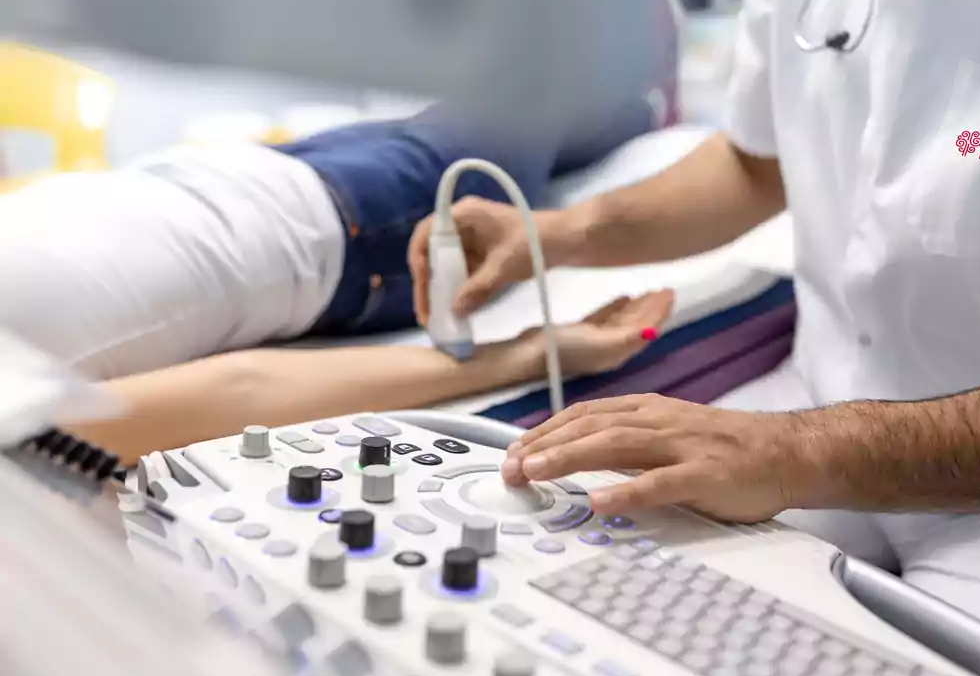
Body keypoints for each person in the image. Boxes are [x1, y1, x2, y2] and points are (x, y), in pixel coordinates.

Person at [408, 0, 980, 676]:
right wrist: (559, 233)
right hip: (812, 414)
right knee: (556, 628)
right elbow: (755, 162)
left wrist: (800, 452)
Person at [0, 0, 682, 383]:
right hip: (356, 231)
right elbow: (242, 388)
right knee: (525, 100)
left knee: (500, 117)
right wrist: (526, 355)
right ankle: (646, 78)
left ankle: (637, 103)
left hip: (236, 172)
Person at [58, 289, 672, 463]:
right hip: (327, 218)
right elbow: (244, 392)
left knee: (564, 106)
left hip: (301, 201)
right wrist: (527, 354)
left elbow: (241, 388)